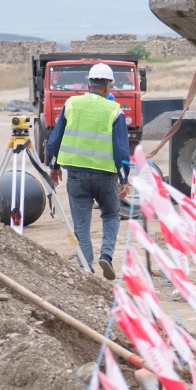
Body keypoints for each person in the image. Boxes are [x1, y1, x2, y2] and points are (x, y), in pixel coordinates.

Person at [46, 62, 130, 279]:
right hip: (105, 175)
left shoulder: (71, 104)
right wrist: (124, 179)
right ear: (107, 87)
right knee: (111, 215)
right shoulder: (115, 110)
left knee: (81, 223)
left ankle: (86, 267)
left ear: (88, 84)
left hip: (76, 175)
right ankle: (107, 256)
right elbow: (121, 148)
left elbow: (55, 139)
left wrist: (53, 167)